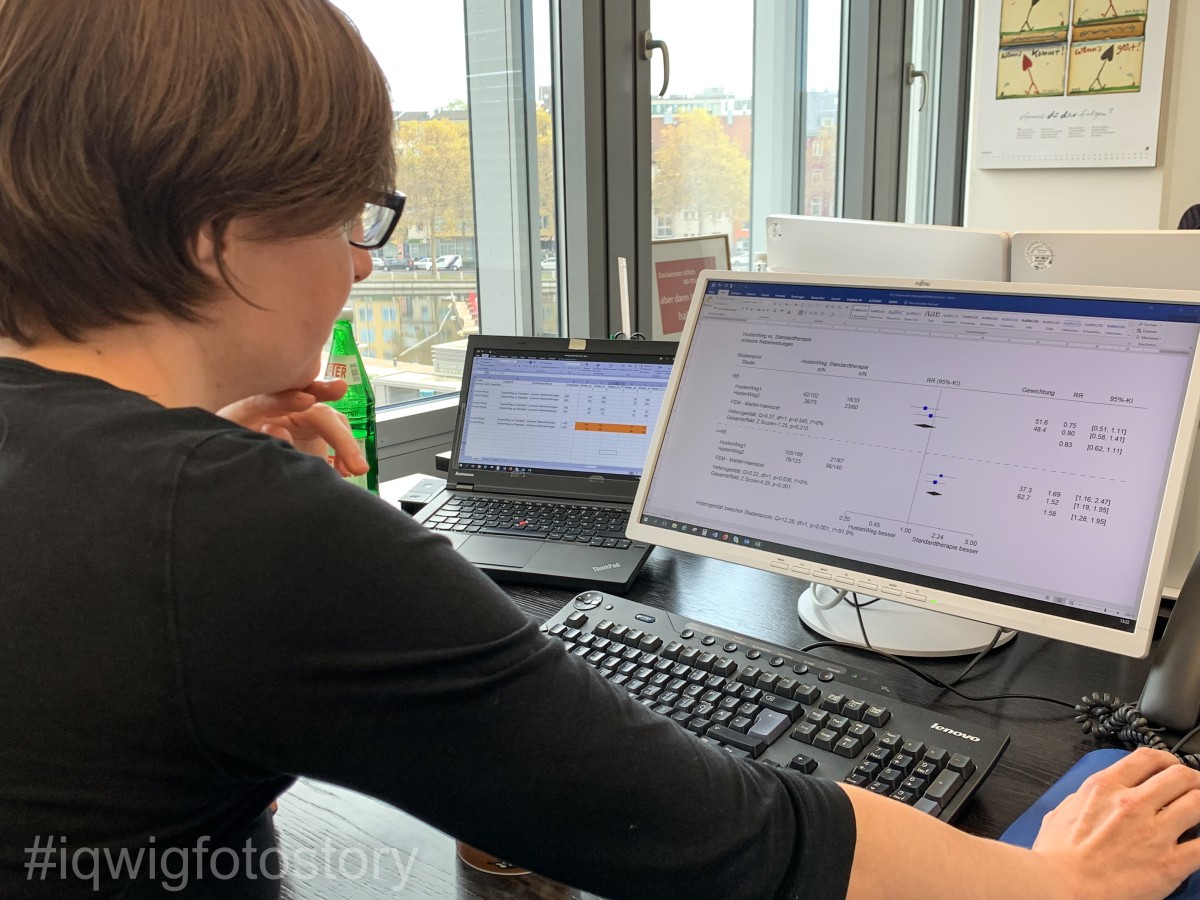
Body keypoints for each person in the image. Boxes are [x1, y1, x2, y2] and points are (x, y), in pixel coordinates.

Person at [1, 2, 1199, 898]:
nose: (362, 263)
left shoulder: (136, 490)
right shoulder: (234, 531)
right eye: (348, 216)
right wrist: (1059, 879)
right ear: (218, 238)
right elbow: (717, 832)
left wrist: (192, 455)